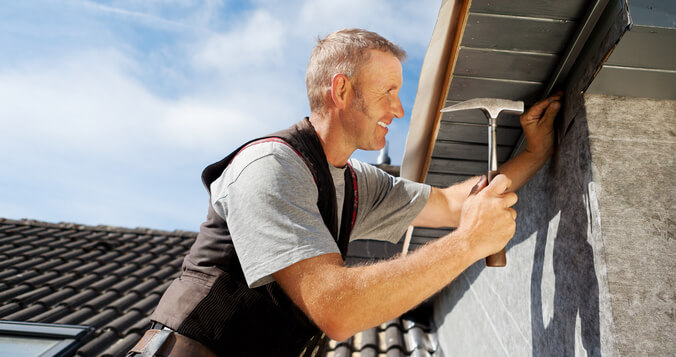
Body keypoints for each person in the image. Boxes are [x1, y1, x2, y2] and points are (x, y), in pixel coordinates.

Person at [128, 29, 561, 357]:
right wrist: (468, 243)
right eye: (388, 91)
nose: (399, 108)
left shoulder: (355, 181)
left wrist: (535, 154)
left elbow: (451, 204)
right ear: (341, 90)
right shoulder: (270, 167)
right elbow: (338, 310)